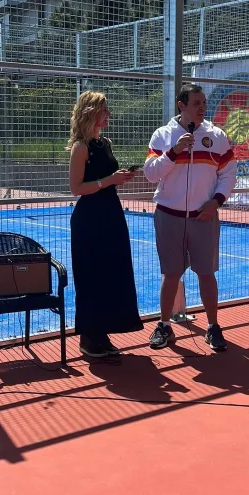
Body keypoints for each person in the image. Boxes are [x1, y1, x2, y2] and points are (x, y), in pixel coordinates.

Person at [143, 83, 237, 352]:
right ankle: (164, 325)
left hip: (203, 217)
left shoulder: (217, 136)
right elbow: (151, 174)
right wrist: (173, 152)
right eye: (196, 103)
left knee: (206, 274)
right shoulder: (163, 136)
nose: (202, 107)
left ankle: (213, 327)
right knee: (171, 273)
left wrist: (216, 202)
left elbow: (229, 173)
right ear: (181, 106)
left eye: (204, 103)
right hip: (168, 215)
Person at [68, 91, 143, 359]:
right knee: (92, 275)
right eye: (104, 110)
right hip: (89, 219)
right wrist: (108, 181)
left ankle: (103, 333)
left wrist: (119, 178)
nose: (108, 114)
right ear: (91, 113)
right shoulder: (80, 147)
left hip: (111, 213)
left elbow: (107, 178)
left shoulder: (106, 143)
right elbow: (76, 188)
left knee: (113, 272)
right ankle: (89, 337)